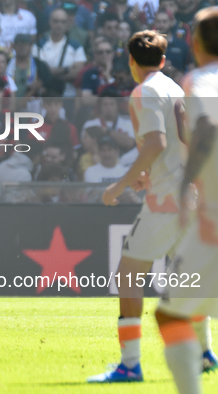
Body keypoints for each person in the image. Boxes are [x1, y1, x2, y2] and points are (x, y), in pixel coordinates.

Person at [88, 29, 216, 384]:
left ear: (130, 61)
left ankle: (130, 364)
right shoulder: (178, 88)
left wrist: (120, 183)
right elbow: (184, 142)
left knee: (127, 277)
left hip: (164, 202)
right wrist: (149, 171)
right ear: (162, 60)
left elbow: (156, 143)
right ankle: (205, 352)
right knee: (186, 279)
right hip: (188, 194)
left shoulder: (144, 91)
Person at [155, 8, 218, 393]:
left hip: (214, 215)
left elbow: (208, 128)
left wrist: (185, 186)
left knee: (171, 315)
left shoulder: (200, 80)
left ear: (194, 42)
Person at [33, 8, 86, 98]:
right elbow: (37, 72)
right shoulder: (39, 45)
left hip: (69, 96)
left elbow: (78, 73)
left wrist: (50, 75)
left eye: (63, 22)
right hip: (44, 96)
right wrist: (66, 69)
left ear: (67, 24)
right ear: (50, 22)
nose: (59, 25)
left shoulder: (76, 46)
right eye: (56, 21)